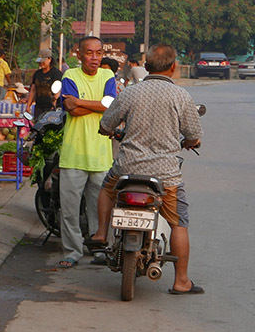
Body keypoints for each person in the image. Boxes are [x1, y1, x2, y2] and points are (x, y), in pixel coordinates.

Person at [87, 44, 203, 294]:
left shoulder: (130, 93)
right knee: (179, 224)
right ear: (173, 68)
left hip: (127, 168)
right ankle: (181, 281)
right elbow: (193, 134)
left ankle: (100, 233)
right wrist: (191, 142)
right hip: (166, 174)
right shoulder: (181, 96)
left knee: (107, 189)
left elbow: (106, 124)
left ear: (146, 66)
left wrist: (110, 131)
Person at [56, 35, 118, 269]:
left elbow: (111, 104)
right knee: (70, 210)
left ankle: (99, 249)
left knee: (99, 210)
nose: (94, 57)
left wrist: (83, 103)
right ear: (79, 54)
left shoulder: (107, 75)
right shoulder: (70, 75)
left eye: (99, 53)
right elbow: (71, 109)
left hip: (101, 156)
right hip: (73, 154)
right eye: (89, 53)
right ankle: (72, 251)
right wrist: (100, 105)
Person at [25, 48, 64, 115]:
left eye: (43, 61)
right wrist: (28, 106)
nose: (41, 63)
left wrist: (54, 104)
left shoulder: (56, 74)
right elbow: (33, 90)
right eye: (40, 61)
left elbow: (58, 90)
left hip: (51, 107)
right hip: (39, 106)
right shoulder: (37, 74)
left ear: (49, 59)